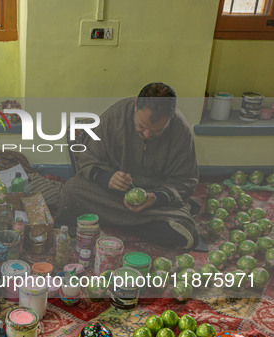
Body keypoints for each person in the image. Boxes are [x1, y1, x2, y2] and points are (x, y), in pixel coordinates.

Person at [57, 82, 199, 250]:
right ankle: (137, 224)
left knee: (185, 234)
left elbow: (186, 181)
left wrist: (156, 198)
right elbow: (87, 159)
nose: (147, 135)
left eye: (157, 132)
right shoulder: (116, 116)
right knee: (72, 191)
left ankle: (116, 222)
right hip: (115, 194)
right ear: (136, 106)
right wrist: (107, 178)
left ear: (169, 119)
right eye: (141, 126)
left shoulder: (180, 130)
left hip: (154, 200)